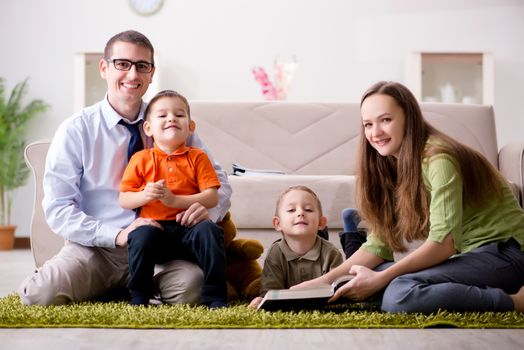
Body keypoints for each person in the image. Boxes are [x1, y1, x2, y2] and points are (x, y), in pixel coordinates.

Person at [18, 30, 232, 306]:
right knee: (38, 296)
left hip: (160, 249)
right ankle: (107, 285)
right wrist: (118, 235)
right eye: (123, 64)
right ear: (104, 68)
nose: (132, 75)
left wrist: (207, 210)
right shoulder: (76, 130)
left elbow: (221, 185)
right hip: (97, 249)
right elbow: (58, 208)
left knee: (193, 290)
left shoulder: (170, 121)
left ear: (151, 74)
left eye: (142, 66)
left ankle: (128, 289)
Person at [293, 81, 524, 313]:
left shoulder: (439, 159)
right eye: (368, 124)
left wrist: (381, 279)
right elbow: (378, 247)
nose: (376, 133)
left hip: (508, 254)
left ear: (408, 118)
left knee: (399, 292)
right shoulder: (391, 165)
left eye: (386, 120)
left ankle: (515, 303)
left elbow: (443, 245)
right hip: (472, 258)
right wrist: (319, 284)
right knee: (362, 279)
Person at [119, 89, 227, 307]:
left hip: (189, 229)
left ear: (190, 127)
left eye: (179, 115)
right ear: (148, 128)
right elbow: (124, 199)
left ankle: (215, 296)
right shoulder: (140, 159)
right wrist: (144, 196)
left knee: (210, 231)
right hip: (156, 231)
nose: (171, 118)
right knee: (140, 236)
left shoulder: (197, 156)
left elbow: (212, 197)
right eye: (162, 115)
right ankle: (139, 295)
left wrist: (175, 202)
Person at [249, 185, 343, 308]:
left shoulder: (332, 253)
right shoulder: (275, 252)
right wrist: (262, 299)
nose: (301, 213)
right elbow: (270, 291)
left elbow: (339, 292)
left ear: (321, 223)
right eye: (291, 210)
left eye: (308, 209)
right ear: (277, 224)